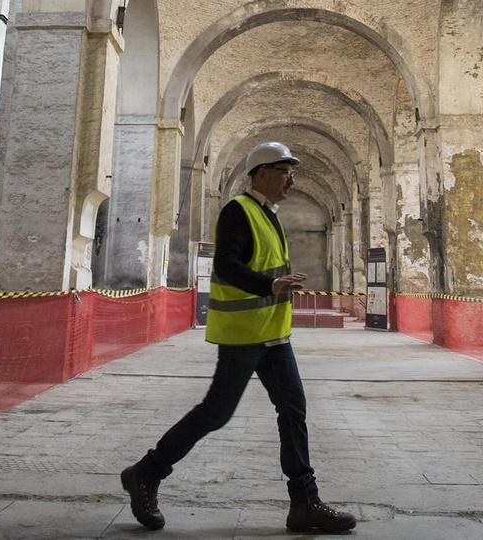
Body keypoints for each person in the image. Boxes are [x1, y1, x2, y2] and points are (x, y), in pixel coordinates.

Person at [120, 142, 355, 534]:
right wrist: (270, 284)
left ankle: (304, 503)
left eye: (292, 173)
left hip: (273, 335)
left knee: (293, 410)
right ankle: (145, 473)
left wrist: (274, 287)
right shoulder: (238, 210)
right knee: (216, 412)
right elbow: (227, 265)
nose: (291, 180)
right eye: (285, 172)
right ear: (261, 173)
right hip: (245, 334)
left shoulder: (267, 213)